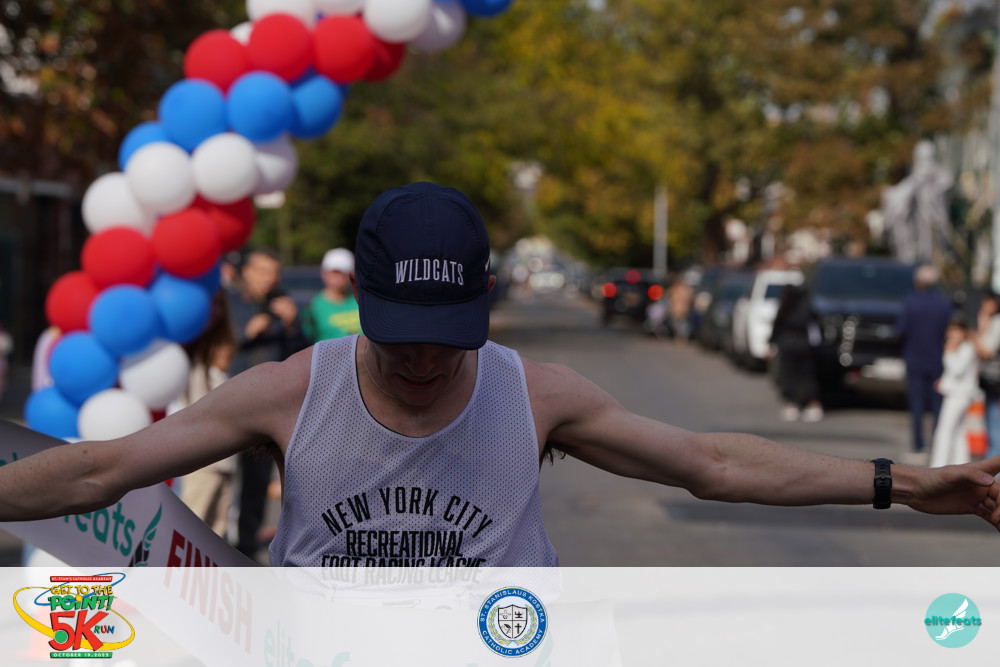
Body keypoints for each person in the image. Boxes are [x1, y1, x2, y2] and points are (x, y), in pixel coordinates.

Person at [0, 182, 998, 567]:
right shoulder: (293, 388)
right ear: (364, 304)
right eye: (402, 336)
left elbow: (713, 463)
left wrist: (912, 484)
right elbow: (99, 470)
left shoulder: (536, 394)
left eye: (448, 335)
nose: (425, 359)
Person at [226, 247, 307, 559]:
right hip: (229, 401)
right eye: (263, 271)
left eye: (274, 272)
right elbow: (217, 347)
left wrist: (292, 324)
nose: (269, 279)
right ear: (246, 272)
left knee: (257, 481)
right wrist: (246, 332)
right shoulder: (231, 301)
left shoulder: (282, 303)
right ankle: (212, 542)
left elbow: (302, 354)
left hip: (268, 407)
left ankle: (245, 550)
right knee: (220, 478)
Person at [169, 290, 238, 538]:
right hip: (198, 458)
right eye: (210, 304)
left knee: (216, 536)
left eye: (219, 304)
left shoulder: (214, 355)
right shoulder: (189, 350)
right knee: (190, 533)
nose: (215, 311)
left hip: (224, 459)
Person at [896, 264, 953, 463]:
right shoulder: (944, 304)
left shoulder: (910, 303)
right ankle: (938, 444)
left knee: (917, 405)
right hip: (937, 359)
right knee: (938, 405)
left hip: (914, 358)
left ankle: (918, 445)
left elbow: (900, 330)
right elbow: (949, 332)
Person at [768, 284, 823, 422]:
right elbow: (816, 326)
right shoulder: (807, 306)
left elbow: (777, 326)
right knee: (806, 376)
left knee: (789, 376)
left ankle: (792, 405)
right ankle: (812, 405)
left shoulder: (785, 307)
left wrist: (771, 344)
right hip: (805, 346)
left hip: (788, 346)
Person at [929, 317, 978, 468]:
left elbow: (957, 370)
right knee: (958, 432)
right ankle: (962, 465)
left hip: (958, 397)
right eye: (950, 331)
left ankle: (939, 466)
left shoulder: (966, 348)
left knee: (944, 431)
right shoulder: (965, 347)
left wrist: (949, 353)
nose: (952, 335)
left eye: (956, 331)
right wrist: (943, 383)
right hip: (958, 395)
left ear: (963, 332)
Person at [303, 247, 362, 343]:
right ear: (324, 273)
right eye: (335, 272)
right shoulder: (313, 306)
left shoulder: (362, 301)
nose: (339, 277)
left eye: (343, 272)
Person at [973, 292, 1000, 459]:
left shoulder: (997, 322)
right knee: (991, 420)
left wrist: (975, 335)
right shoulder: (992, 321)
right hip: (991, 380)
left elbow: (986, 351)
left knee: (994, 421)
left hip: (995, 380)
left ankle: (994, 463)